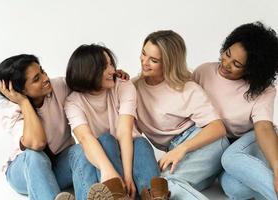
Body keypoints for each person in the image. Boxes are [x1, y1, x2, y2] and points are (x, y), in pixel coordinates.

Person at [0, 54, 130, 200]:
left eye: (42, 72)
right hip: (24, 172)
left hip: (59, 165)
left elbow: (85, 80)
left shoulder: (58, 87)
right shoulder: (10, 112)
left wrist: (108, 75)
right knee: (34, 156)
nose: (45, 78)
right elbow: (37, 143)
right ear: (20, 90)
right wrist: (24, 102)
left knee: (81, 149)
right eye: (36, 79)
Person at [64, 44, 170, 200]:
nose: (112, 70)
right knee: (106, 139)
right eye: (104, 67)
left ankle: (153, 196)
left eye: (111, 64)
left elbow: (124, 131)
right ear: (88, 71)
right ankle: (116, 194)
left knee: (141, 143)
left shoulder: (124, 86)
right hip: (101, 157)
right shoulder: (73, 102)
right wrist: (111, 174)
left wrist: (127, 176)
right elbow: (86, 138)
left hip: (129, 150)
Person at [133, 30, 229, 200]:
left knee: (163, 185)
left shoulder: (187, 88)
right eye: (143, 53)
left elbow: (217, 128)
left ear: (169, 64)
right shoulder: (133, 88)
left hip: (206, 143)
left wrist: (181, 149)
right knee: (156, 189)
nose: (144, 62)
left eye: (154, 60)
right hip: (176, 150)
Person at [193, 21, 278, 200]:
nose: (226, 64)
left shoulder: (264, 90)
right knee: (235, 190)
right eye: (227, 54)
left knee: (231, 158)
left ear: (252, 70)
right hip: (220, 149)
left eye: (237, 64)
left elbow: (263, 127)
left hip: (253, 142)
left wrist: (277, 168)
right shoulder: (203, 72)